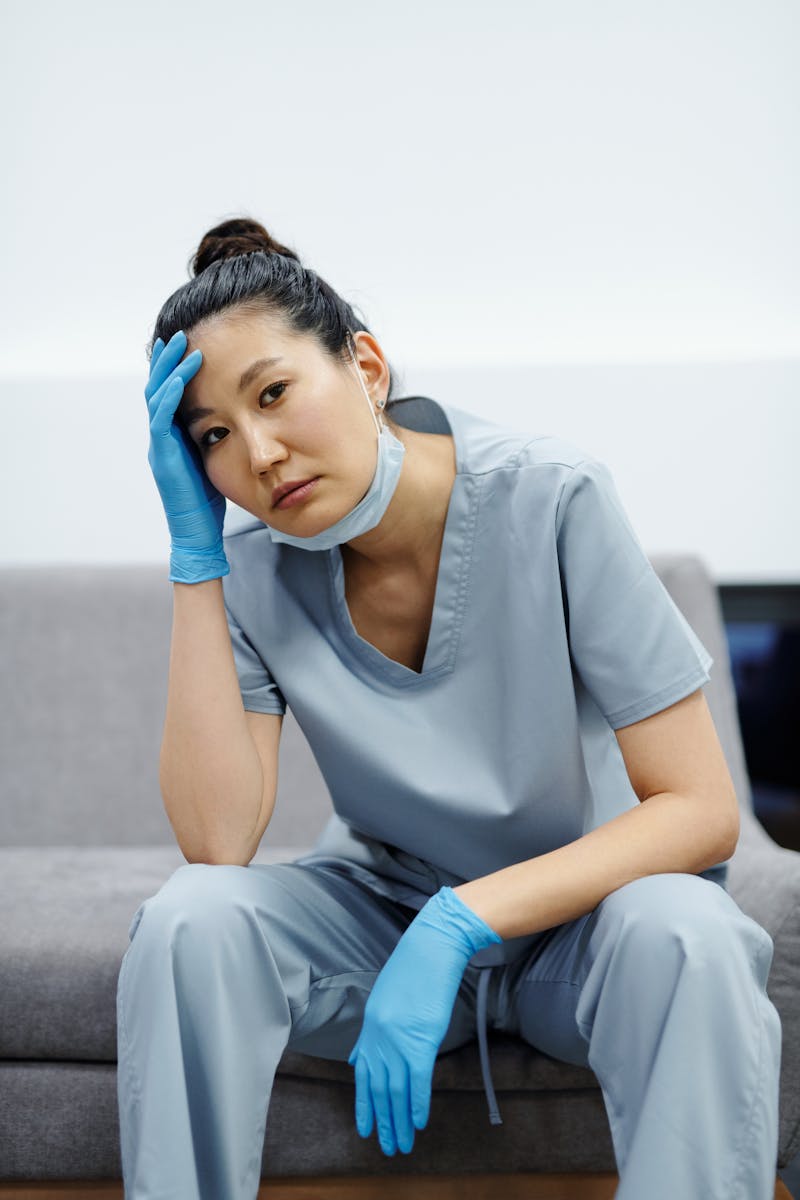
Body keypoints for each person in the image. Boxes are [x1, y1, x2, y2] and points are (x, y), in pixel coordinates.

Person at [117, 216, 782, 1200]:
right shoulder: (253, 570)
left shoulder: (551, 497)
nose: (257, 453)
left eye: (273, 394)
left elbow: (699, 809)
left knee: (693, 932)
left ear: (366, 366)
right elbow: (217, 842)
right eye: (213, 435)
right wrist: (194, 556)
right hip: (378, 921)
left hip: (583, 925)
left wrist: (460, 922)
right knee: (189, 919)